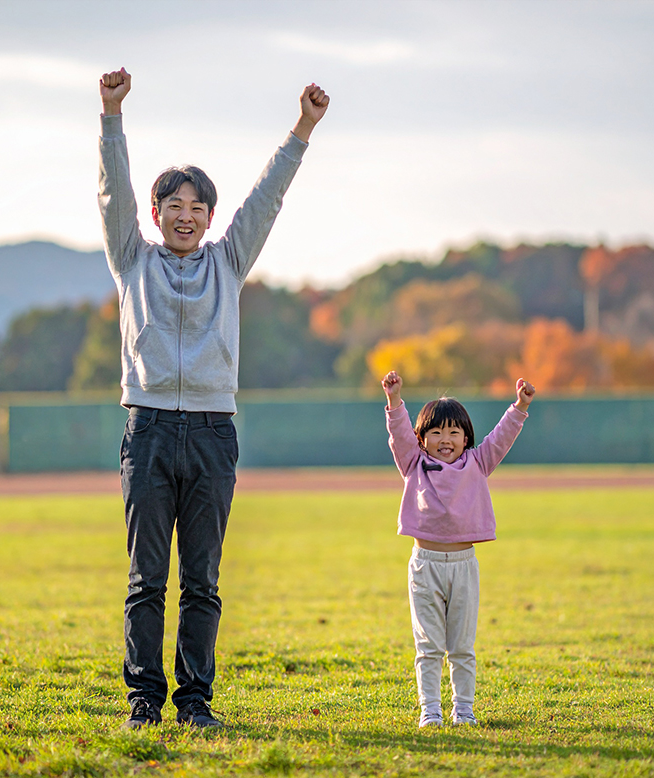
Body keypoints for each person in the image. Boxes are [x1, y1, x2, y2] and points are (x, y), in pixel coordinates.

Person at [98, 67, 329, 729]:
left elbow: (267, 199)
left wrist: (303, 129)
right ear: (157, 212)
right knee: (146, 582)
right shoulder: (131, 259)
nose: (187, 216)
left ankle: (194, 704)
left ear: (209, 216)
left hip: (210, 431)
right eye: (176, 205)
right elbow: (112, 192)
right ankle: (143, 702)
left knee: (202, 582)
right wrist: (111, 117)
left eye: (199, 207)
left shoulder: (228, 261)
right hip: (146, 429)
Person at [381, 371, 536, 728]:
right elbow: (399, 435)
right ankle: (430, 711)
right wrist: (394, 401)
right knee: (429, 646)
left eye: (453, 432)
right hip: (426, 565)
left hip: (464, 565)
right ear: (422, 440)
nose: (445, 439)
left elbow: (501, 439)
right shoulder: (413, 464)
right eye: (435, 432)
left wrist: (520, 406)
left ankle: (463, 710)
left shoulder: (478, 463)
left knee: (462, 647)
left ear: (466, 438)